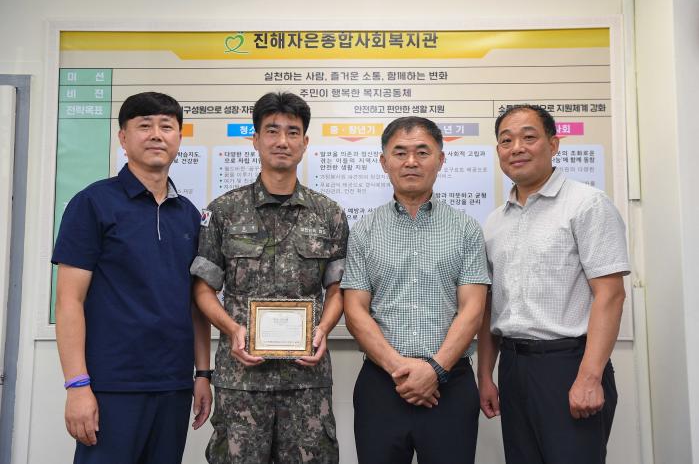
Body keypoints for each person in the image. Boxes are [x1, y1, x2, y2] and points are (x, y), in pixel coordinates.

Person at [53, 91, 212, 464]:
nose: (156, 134)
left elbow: (196, 302)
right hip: (112, 386)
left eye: (166, 126)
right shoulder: (92, 204)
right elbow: (68, 301)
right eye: (144, 126)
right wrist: (77, 386)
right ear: (123, 138)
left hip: (173, 386)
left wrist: (202, 373)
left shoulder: (188, 214)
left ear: (179, 138)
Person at [190, 91, 349, 464]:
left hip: (306, 383)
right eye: (272, 131)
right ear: (256, 139)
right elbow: (203, 288)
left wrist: (324, 328)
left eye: (293, 132)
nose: (282, 141)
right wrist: (232, 329)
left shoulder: (329, 214)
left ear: (305, 143)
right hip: (241, 382)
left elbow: (338, 287)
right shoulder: (224, 211)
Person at [477, 104, 630, 464]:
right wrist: (485, 374)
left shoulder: (586, 205)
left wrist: (590, 378)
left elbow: (610, 295)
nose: (517, 147)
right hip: (514, 367)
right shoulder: (495, 222)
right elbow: (489, 307)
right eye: (506, 140)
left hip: (569, 364)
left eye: (529, 137)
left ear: (554, 144)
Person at [341, 116, 490, 464]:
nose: (411, 161)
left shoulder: (466, 229)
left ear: (440, 158)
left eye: (422, 152)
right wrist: (402, 370)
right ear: (384, 162)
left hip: (450, 386)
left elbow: (473, 310)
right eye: (400, 153)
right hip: (382, 386)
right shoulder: (364, 230)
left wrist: (434, 370)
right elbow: (355, 310)